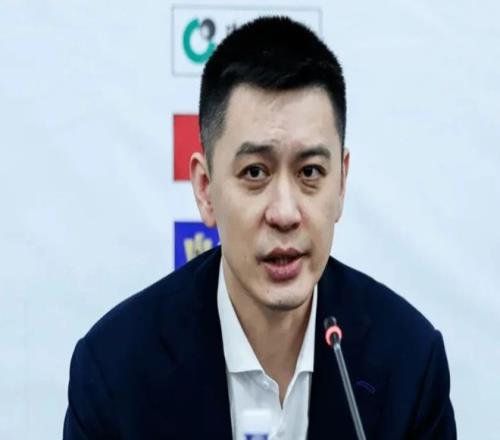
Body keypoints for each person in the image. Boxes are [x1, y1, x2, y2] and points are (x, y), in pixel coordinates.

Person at [63, 16, 456, 439]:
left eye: (310, 171)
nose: (284, 213)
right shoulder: (114, 372)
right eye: (255, 172)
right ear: (206, 189)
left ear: (341, 183)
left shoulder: (410, 362)